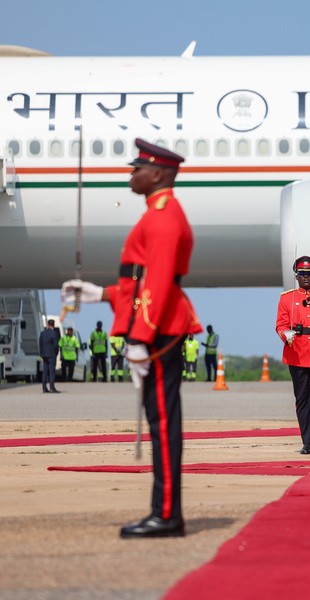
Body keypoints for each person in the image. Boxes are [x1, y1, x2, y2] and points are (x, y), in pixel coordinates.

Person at [62, 138, 201, 539]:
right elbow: (139, 281)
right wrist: (101, 293)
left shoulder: (162, 217)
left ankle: (168, 514)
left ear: (157, 174)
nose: (132, 174)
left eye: (137, 168)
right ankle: (163, 510)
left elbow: (157, 281)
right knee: (159, 420)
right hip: (156, 324)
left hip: (157, 329)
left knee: (162, 423)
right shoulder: (157, 213)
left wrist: (140, 337)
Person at [275, 256, 310, 455]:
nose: (306, 277)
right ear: (297, 276)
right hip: (296, 353)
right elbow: (280, 325)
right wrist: (286, 335)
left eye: (309, 274)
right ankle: (307, 442)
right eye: (302, 274)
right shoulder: (286, 298)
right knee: (302, 398)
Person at [39, 319, 60, 393]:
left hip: (44, 354)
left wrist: (41, 354)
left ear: (48, 325)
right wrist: (56, 353)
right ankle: (52, 388)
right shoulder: (54, 333)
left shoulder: (42, 333)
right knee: (51, 371)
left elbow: (40, 344)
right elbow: (55, 345)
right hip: (51, 354)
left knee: (45, 371)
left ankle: (44, 388)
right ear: (53, 325)